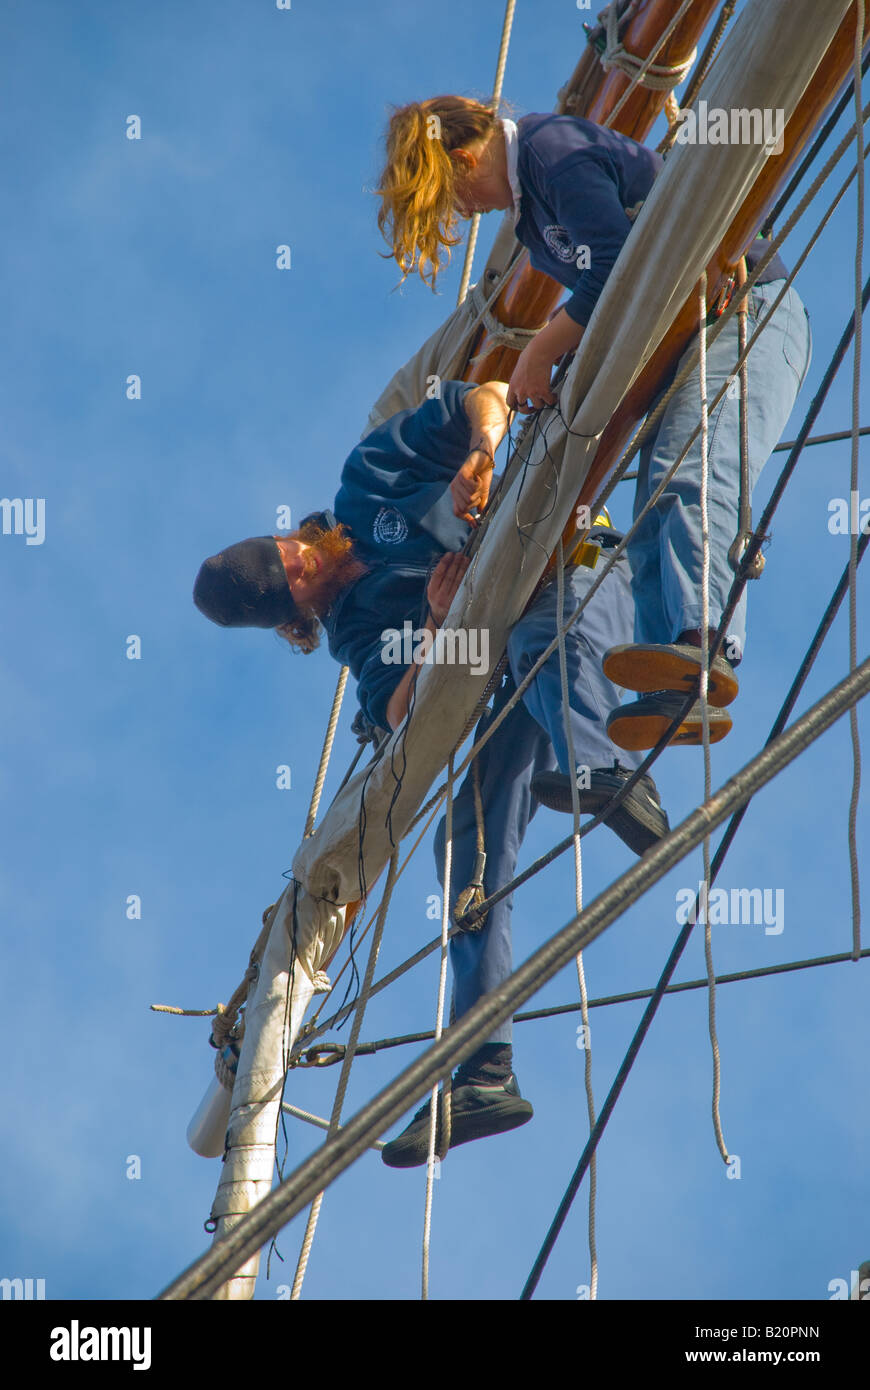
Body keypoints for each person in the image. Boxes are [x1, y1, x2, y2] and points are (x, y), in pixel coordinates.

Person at [193, 379, 669, 1167]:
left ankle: (613, 772)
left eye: (294, 553)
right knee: (466, 842)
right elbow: (396, 712)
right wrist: (440, 625)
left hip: (570, 574)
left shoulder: (367, 480)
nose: (312, 564)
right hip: (511, 656)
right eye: (297, 584)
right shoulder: (356, 628)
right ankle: (483, 1069)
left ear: (289, 536)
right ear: (294, 616)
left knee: (524, 643)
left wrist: (481, 453)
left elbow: (481, 393)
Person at [374, 98, 811, 749]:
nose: (460, 213)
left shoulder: (551, 150)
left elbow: (618, 262)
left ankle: (704, 643)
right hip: (693, 338)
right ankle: (677, 673)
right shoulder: (532, 220)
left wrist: (541, 349)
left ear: (464, 155)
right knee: (655, 504)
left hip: (746, 307)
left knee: (690, 474)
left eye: (450, 193)